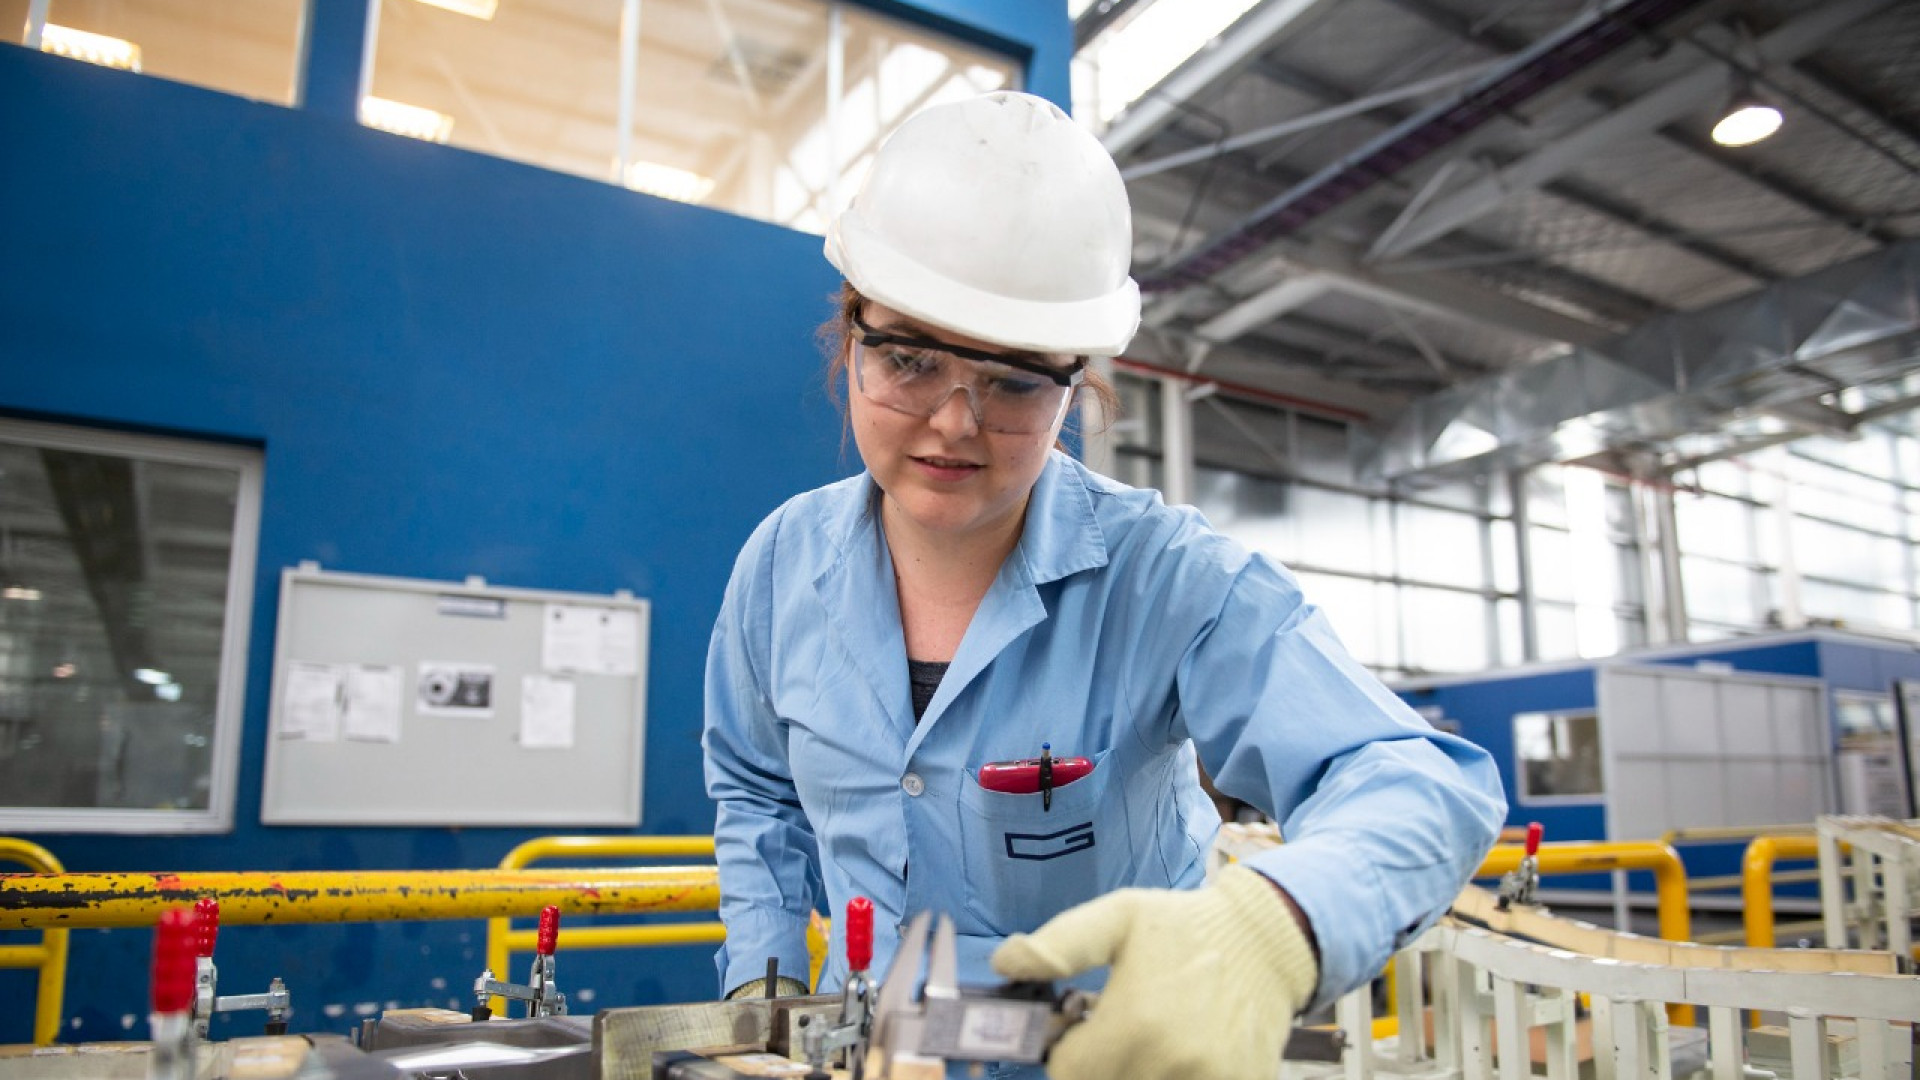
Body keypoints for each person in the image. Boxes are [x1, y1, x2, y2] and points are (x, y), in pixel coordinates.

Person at [703, 90, 1506, 1080]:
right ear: (848, 334)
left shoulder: (1168, 578)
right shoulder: (780, 568)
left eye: (1012, 380)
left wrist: (1273, 925)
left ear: (1076, 383)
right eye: (909, 359)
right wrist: (767, 979)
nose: (954, 422)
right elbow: (754, 791)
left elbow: (1420, 782)